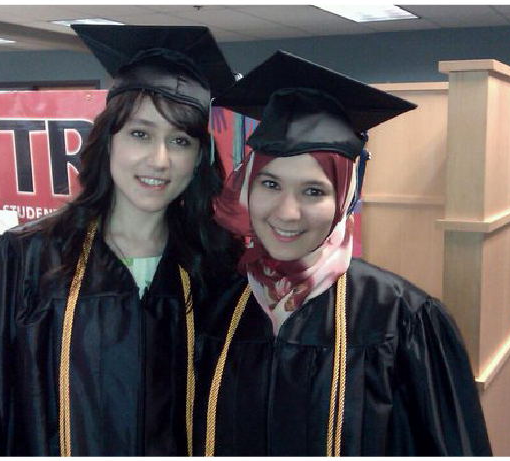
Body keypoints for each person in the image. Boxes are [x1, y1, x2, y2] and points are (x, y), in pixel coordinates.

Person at [0, 25, 241, 455]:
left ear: (198, 159)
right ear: (107, 140)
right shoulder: (26, 258)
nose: (160, 159)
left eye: (180, 140)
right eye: (140, 134)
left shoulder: (216, 267)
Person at [192, 51, 493, 456]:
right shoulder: (219, 307)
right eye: (270, 184)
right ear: (248, 186)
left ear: (345, 198)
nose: (286, 212)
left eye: (313, 191)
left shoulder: (403, 319)